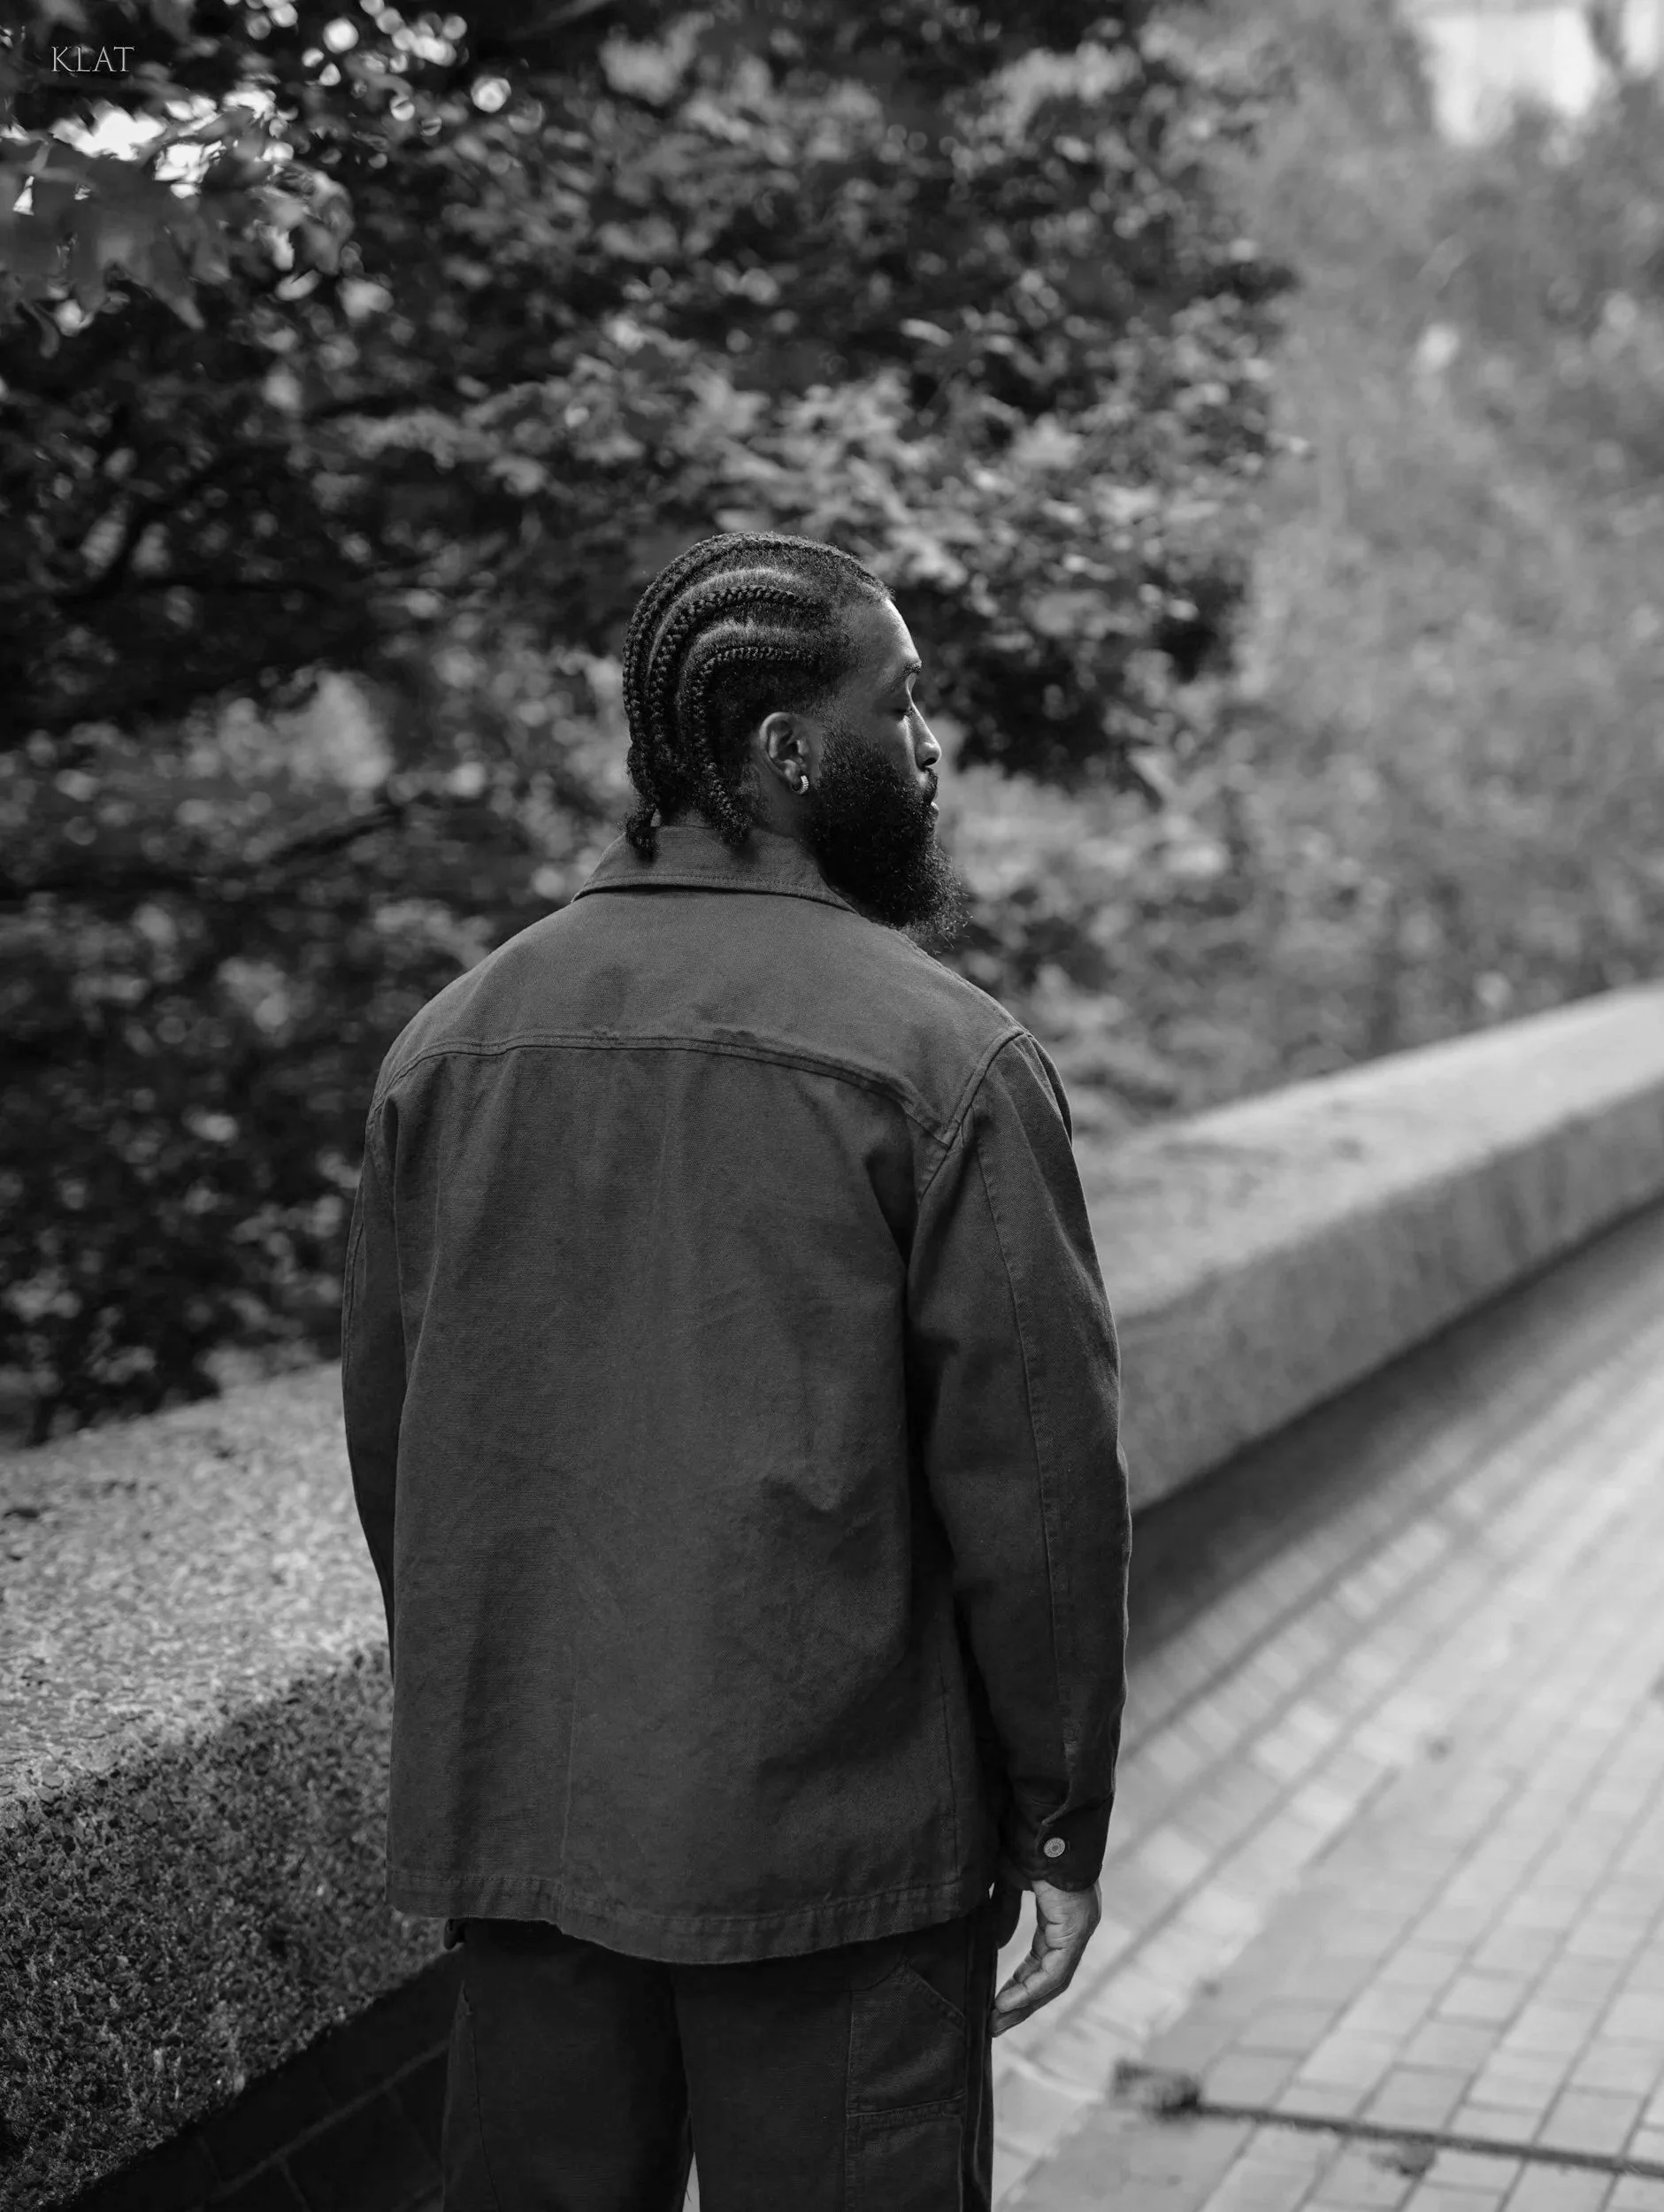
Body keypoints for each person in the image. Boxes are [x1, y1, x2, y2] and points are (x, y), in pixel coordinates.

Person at [341, 532, 1132, 2209]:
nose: (930, 746)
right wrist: (1060, 1820)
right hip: (842, 1864)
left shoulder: (451, 1047)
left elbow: (399, 1460)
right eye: (902, 703)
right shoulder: (943, 1058)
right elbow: (1038, 1497)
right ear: (788, 754)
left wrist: (508, 1731)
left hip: (537, 1835)